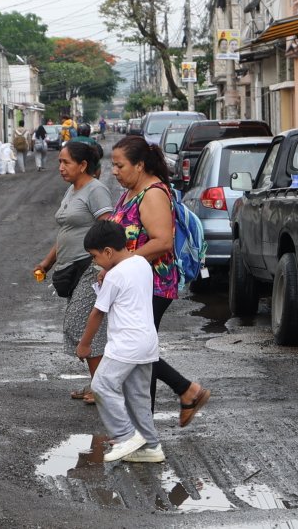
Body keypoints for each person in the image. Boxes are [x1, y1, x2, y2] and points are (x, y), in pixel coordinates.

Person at [109, 135, 210, 428]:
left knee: (137, 352)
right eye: (113, 165)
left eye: (119, 165)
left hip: (152, 286)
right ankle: (153, 417)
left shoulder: (153, 193)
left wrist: (124, 263)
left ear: (139, 165)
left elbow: (163, 241)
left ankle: (181, 395)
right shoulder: (131, 191)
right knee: (139, 352)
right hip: (135, 286)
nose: (114, 171)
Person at [78, 220, 163, 463]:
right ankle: (151, 447)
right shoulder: (142, 263)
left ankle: (125, 436)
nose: (95, 262)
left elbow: (97, 312)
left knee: (101, 385)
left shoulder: (114, 276)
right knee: (138, 397)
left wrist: (84, 344)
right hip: (147, 342)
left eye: (95, 256)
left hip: (125, 344)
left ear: (107, 252)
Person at [35, 142, 114, 405]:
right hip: (72, 269)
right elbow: (66, 232)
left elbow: (108, 230)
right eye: (60, 161)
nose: (60, 167)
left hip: (91, 268)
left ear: (82, 165)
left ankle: (102, 388)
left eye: (66, 162)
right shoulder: (72, 190)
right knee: (84, 326)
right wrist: (47, 263)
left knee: (81, 324)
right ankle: (97, 384)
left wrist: (105, 267)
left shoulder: (96, 190)